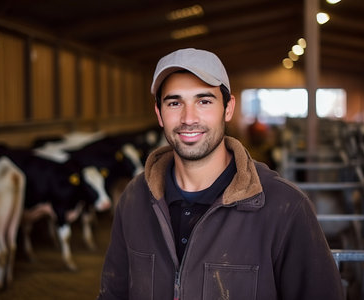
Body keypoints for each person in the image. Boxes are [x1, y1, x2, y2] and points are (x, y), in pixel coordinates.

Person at [97, 48, 344, 300]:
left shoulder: (285, 206)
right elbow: (113, 294)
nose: (188, 118)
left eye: (204, 101)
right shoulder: (134, 199)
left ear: (228, 108)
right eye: (174, 103)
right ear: (159, 114)